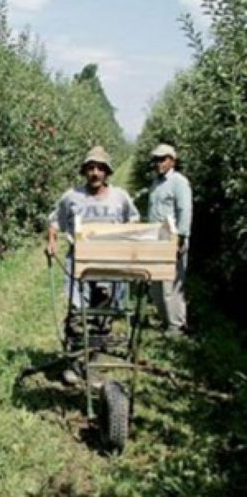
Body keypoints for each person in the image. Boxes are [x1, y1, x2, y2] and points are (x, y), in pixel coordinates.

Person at [46, 147, 139, 381]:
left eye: (99, 168)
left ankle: (94, 362)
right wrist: (52, 241)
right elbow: (55, 220)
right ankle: (74, 362)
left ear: (107, 172)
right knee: (77, 313)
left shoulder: (120, 197)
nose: (94, 173)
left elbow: (133, 222)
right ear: (84, 171)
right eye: (90, 168)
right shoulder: (72, 197)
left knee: (103, 315)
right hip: (79, 261)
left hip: (110, 263)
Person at [146, 143, 192, 336]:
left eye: (163, 159)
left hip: (172, 238)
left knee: (171, 284)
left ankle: (177, 325)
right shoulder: (156, 182)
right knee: (156, 283)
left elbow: (185, 210)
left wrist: (180, 238)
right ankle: (166, 320)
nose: (159, 163)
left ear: (172, 160)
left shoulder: (179, 182)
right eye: (156, 159)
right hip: (156, 238)